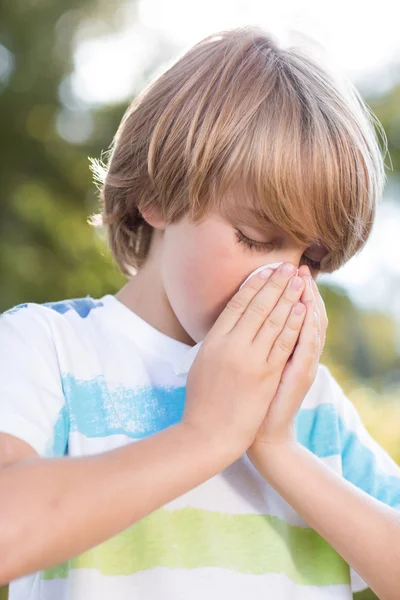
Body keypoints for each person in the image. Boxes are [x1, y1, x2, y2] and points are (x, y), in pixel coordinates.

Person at [0, 25, 399, 600]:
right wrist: (205, 436)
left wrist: (277, 448)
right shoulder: (49, 350)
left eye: (311, 258)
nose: (282, 279)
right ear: (158, 194)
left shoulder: (308, 405)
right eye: (257, 238)